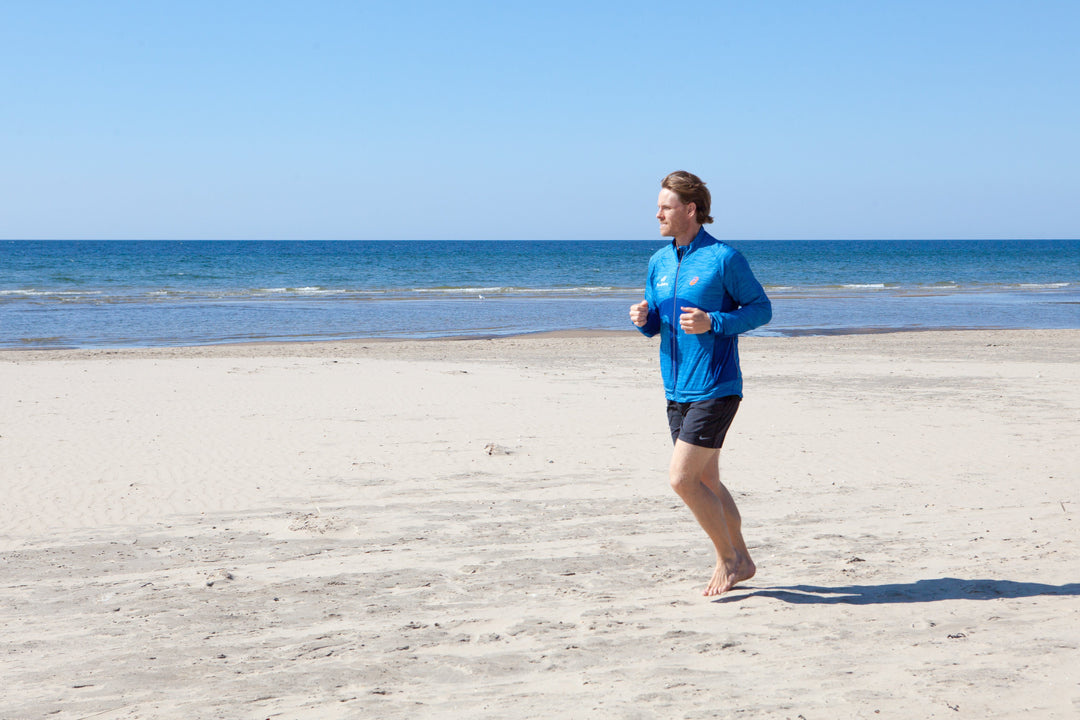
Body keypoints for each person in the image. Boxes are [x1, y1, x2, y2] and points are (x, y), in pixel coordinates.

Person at [629, 170, 772, 596]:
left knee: (681, 479)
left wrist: (714, 321)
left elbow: (761, 309)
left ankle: (728, 559)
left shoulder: (724, 258)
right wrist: (644, 320)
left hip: (716, 385)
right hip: (676, 388)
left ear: (690, 210)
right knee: (706, 481)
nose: (658, 214)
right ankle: (743, 559)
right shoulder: (659, 261)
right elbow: (660, 321)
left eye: (666, 207)